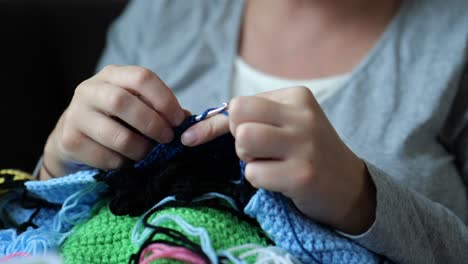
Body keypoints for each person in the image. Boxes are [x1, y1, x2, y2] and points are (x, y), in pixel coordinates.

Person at [36, 0, 468, 262]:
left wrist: (361, 199)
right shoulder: (159, 18)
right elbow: (47, 226)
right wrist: (54, 168)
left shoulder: (453, 43)